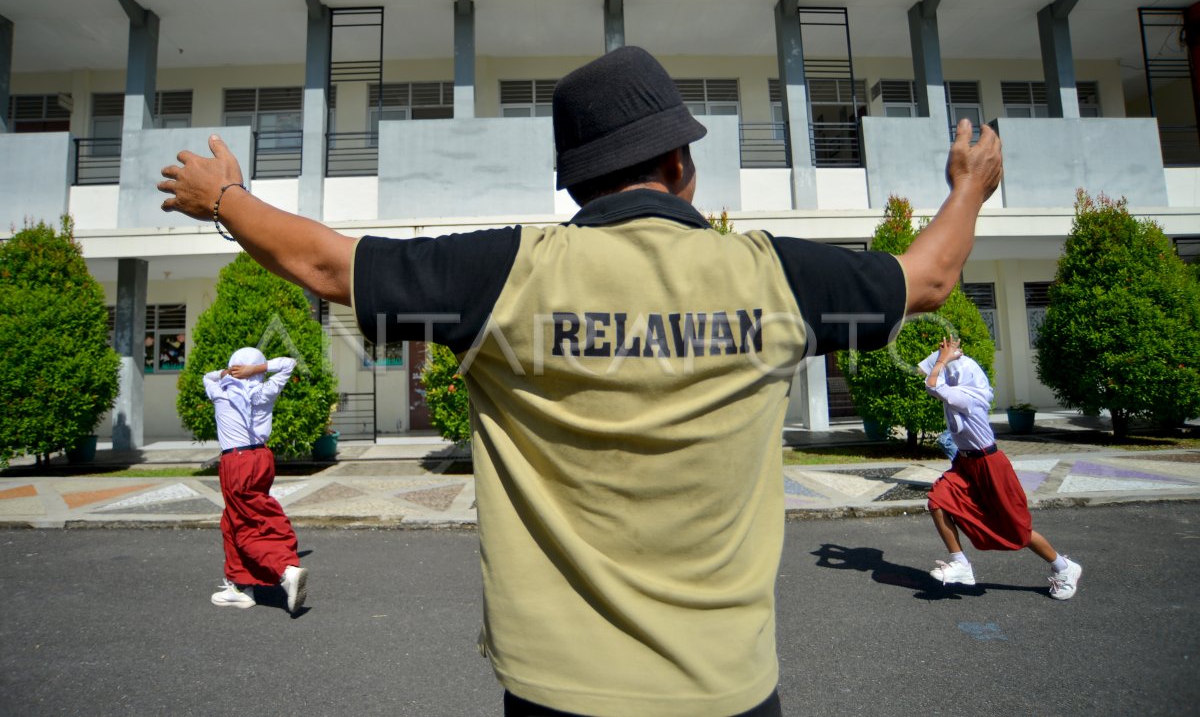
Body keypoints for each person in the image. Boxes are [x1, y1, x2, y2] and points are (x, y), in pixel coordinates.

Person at [160, 46, 1002, 716]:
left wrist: (225, 197)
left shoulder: (507, 272)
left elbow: (328, 265)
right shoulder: (773, 277)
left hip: (557, 695)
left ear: (574, 179)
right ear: (679, 162)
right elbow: (925, 278)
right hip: (728, 690)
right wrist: (968, 188)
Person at [919, 338, 1082, 600]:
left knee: (1017, 529)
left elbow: (932, 385)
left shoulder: (969, 397)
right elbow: (928, 374)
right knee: (937, 501)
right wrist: (943, 355)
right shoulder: (958, 389)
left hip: (990, 465)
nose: (944, 371)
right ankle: (960, 563)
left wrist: (942, 360)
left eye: (950, 370)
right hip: (966, 462)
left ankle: (1064, 567)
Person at [203, 347, 309, 613]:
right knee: (233, 521)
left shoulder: (220, 392)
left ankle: (285, 571)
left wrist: (225, 373)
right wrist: (257, 370)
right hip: (261, 458)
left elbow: (208, 377)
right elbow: (288, 364)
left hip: (236, 461)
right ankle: (241, 586)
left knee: (247, 523)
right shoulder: (263, 393)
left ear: (232, 367)